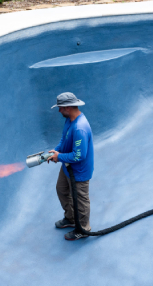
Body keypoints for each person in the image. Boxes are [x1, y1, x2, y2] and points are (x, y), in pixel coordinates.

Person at [48, 92, 95, 241]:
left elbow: (79, 155)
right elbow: (64, 139)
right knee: (61, 190)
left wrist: (59, 157)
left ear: (68, 107)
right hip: (68, 168)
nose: (59, 111)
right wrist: (57, 151)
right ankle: (71, 218)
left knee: (80, 200)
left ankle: (83, 229)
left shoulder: (80, 128)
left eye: (60, 108)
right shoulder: (69, 120)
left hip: (79, 172)